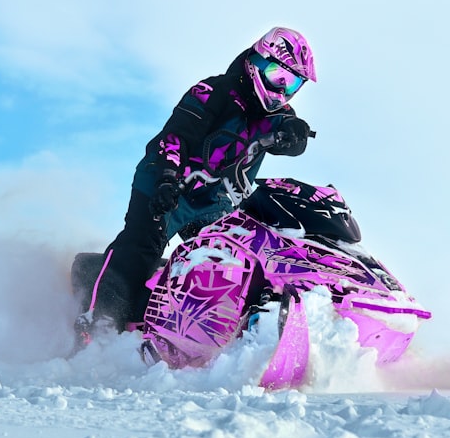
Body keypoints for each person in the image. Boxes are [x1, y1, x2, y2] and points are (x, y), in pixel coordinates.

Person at [73, 26, 316, 346]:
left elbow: (287, 132)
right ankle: (100, 321)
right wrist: (166, 180)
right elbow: (175, 137)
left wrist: (295, 133)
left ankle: (224, 330)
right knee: (142, 245)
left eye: (292, 82)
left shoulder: (277, 115)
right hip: (166, 184)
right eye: (276, 75)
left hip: (215, 200)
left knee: (229, 261)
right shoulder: (211, 92)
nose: (282, 88)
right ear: (257, 62)